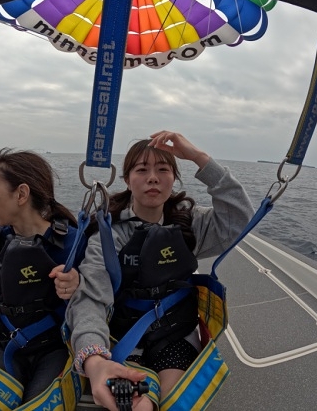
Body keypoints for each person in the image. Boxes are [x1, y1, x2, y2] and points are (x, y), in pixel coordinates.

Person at [66, 130, 255, 411]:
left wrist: (199, 158)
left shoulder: (189, 224)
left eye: (163, 169)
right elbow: (91, 298)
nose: (153, 177)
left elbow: (239, 219)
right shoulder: (109, 235)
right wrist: (93, 358)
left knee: (172, 402)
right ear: (127, 179)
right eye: (142, 170)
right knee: (134, 405)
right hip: (125, 336)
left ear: (174, 178)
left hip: (176, 334)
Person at [0, 148, 86, 410]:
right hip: (5, 342)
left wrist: (78, 285)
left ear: (21, 194)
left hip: (54, 348)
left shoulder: (72, 243)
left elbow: (99, 300)